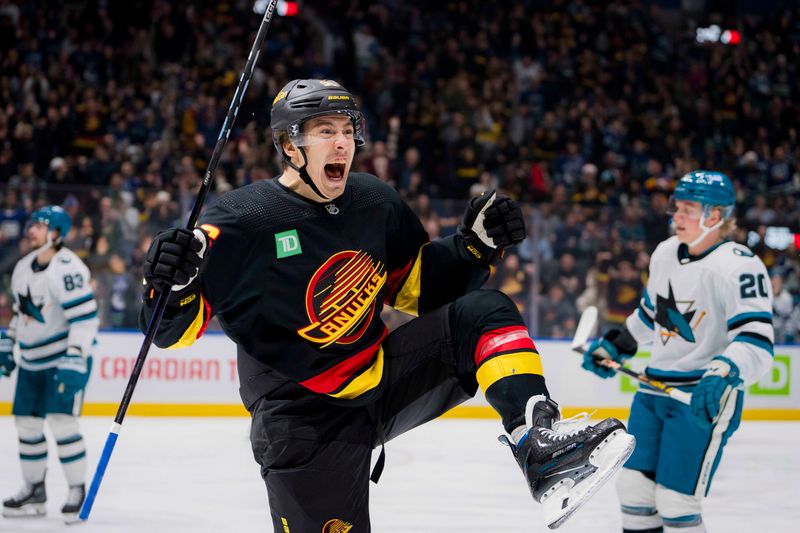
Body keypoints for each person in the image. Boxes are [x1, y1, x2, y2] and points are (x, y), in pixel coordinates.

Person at [140, 79, 635, 531]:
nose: (342, 143)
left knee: (484, 312)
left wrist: (473, 248)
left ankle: (539, 449)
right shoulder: (241, 220)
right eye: (324, 131)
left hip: (382, 380)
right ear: (290, 146)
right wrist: (172, 283)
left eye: (347, 130)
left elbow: (415, 288)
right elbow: (169, 332)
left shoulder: (372, 201)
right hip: (300, 419)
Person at [582, 170, 774, 533]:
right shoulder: (665, 253)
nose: (676, 217)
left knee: (676, 502)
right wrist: (620, 345)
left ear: (714, 216)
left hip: (699, 398)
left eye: (687, 210)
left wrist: (724, 371)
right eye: (677, 208)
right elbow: (653, 315)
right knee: (634, 492)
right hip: (653, 391)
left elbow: (757, 340)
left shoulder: (740, 265)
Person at [1, 205, 97, 523]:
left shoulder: (68, 267)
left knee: (61, 422)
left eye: (40, 226)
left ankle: (75, 489)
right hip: (31, 362)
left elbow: (85, 320)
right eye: (32, 225)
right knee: (26, 424)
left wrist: (74, 356)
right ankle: (34, 489)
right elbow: (21, 313)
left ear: (57, 233)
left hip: (62, 360)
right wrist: (8, 340)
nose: (31, 230)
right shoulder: (23, 266)